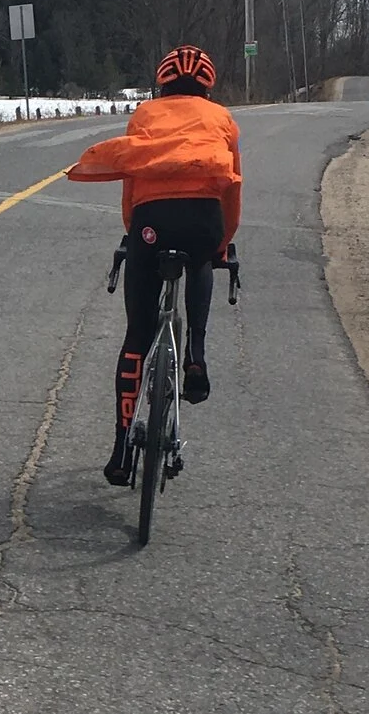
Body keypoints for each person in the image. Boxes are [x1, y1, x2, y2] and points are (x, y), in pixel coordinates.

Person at [65, 45, 242, 486]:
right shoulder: (222, 119)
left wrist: (134, 234)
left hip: (151, 225)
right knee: (203, 258)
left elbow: (132, 182)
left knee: (136, 336)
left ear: (162, 83)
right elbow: (231, 190)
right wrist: (222, 244)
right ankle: (195, 359)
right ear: (206, 84)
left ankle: (122, 450)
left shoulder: (144, 115)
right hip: (203, 221)